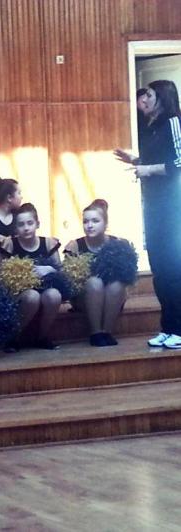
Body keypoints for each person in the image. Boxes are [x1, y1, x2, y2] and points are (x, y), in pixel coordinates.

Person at [114, 80, 181, 348]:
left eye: (150, 95)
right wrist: (135, 161)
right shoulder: (152, 128)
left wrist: (148, 170)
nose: (145, 99)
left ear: (162, 98)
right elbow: (158, 160)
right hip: (153, 206)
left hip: (173, 207)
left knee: (173, 270)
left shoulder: (173, 122)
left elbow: (179, 162)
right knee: (159, 270)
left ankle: (179, 329)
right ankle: (169, 327)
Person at [0, 203, 62, 351]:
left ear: (37, 224)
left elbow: (61, 274)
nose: (26, 228)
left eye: (30, 223)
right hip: (16, 293)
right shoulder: (8, 245)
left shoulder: (48, 244)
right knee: (32, 296)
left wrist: (49, 269)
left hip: (44, 288)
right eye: (21, 224)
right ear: (15, 228)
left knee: (54, 295)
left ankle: (42, 337)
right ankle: (13, 338)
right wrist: (10, 284)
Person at [64, 200, 126, 347]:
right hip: (84, 297)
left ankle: (107, 332)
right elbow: (68, 279)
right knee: (94, 282)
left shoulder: (118, 244)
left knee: (117, 284)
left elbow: (126, 274)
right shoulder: (74, 245)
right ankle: (96, 333)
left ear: (105, 224)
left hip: (112, 296)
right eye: (86, 221)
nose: (90, 225)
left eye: (95, 221)